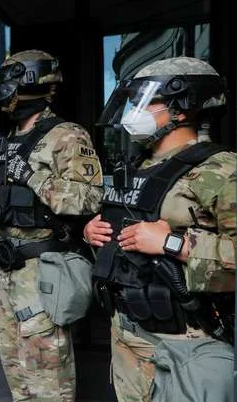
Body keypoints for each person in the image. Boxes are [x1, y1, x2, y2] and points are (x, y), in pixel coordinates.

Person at [84, 57, 235, 402]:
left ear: (181, 108)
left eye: (145, 101)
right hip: (127, 335)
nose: (133, 111)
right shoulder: (137, 166)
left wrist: (171, 242)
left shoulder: (222, 170)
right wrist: (92, 234)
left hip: (187, 344)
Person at [0, 49, 103, 401]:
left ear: (31, 85)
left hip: (42, 271)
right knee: (16, 372)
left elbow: (88, 199)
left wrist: (33, 177)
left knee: (48, 378)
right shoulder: (8, 137)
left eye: (10, 81)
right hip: (8, 269)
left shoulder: (66, 135)